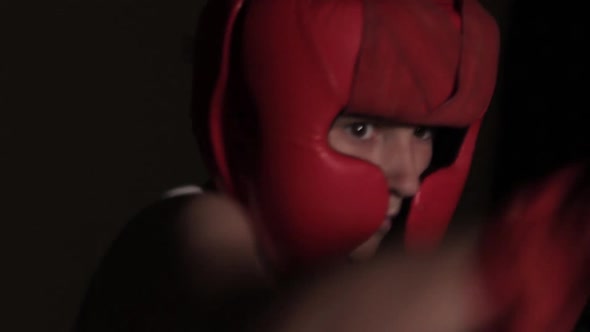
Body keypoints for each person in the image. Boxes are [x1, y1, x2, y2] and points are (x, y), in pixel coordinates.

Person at [74, 0, 588, 331]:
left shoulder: (377, 288)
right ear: (253, 121)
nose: (409, 178)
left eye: (425, 133)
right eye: (362, 129)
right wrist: (544, 250)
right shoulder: (181, 232)